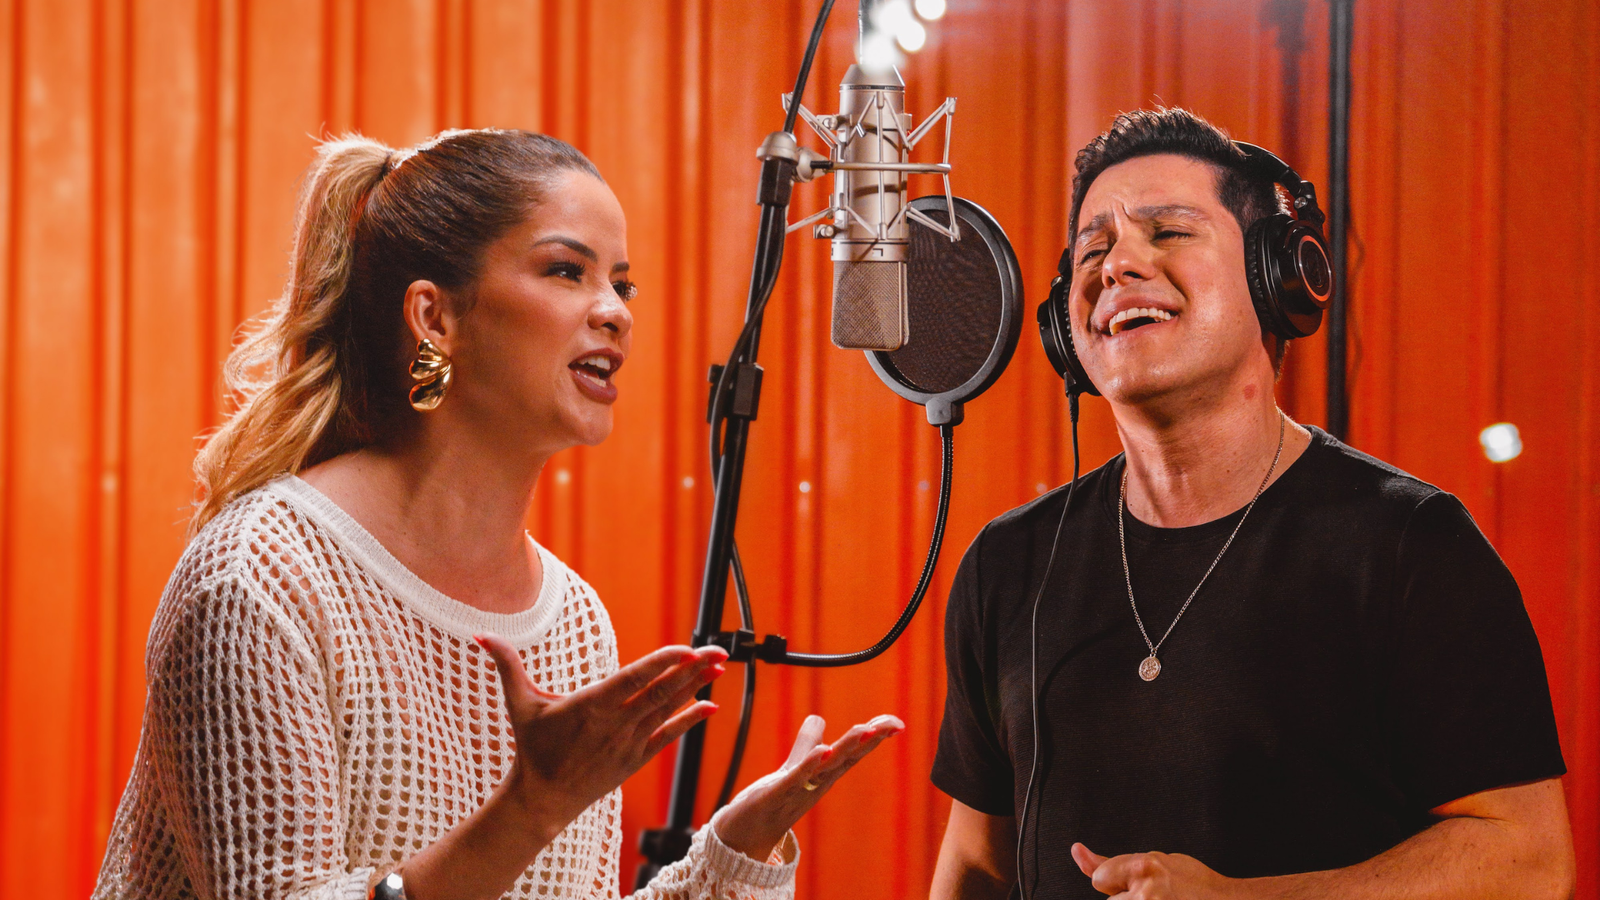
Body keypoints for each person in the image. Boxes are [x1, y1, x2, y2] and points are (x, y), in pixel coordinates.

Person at [92, 128, 903, 900]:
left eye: (621, 284)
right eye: (566, 271)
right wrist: (531, 808)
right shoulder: (261, 578)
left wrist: (728, 861)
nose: (616, 311)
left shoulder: (573, 620)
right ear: (435, 317)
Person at [928, 108, 1574, 900]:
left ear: (1277, 281)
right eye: (1092, 249)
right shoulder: (1008, 563)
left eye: (1168, 232)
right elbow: (976, 865)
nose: (1117, 265)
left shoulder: (1413, 545)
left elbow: (1529, 860)